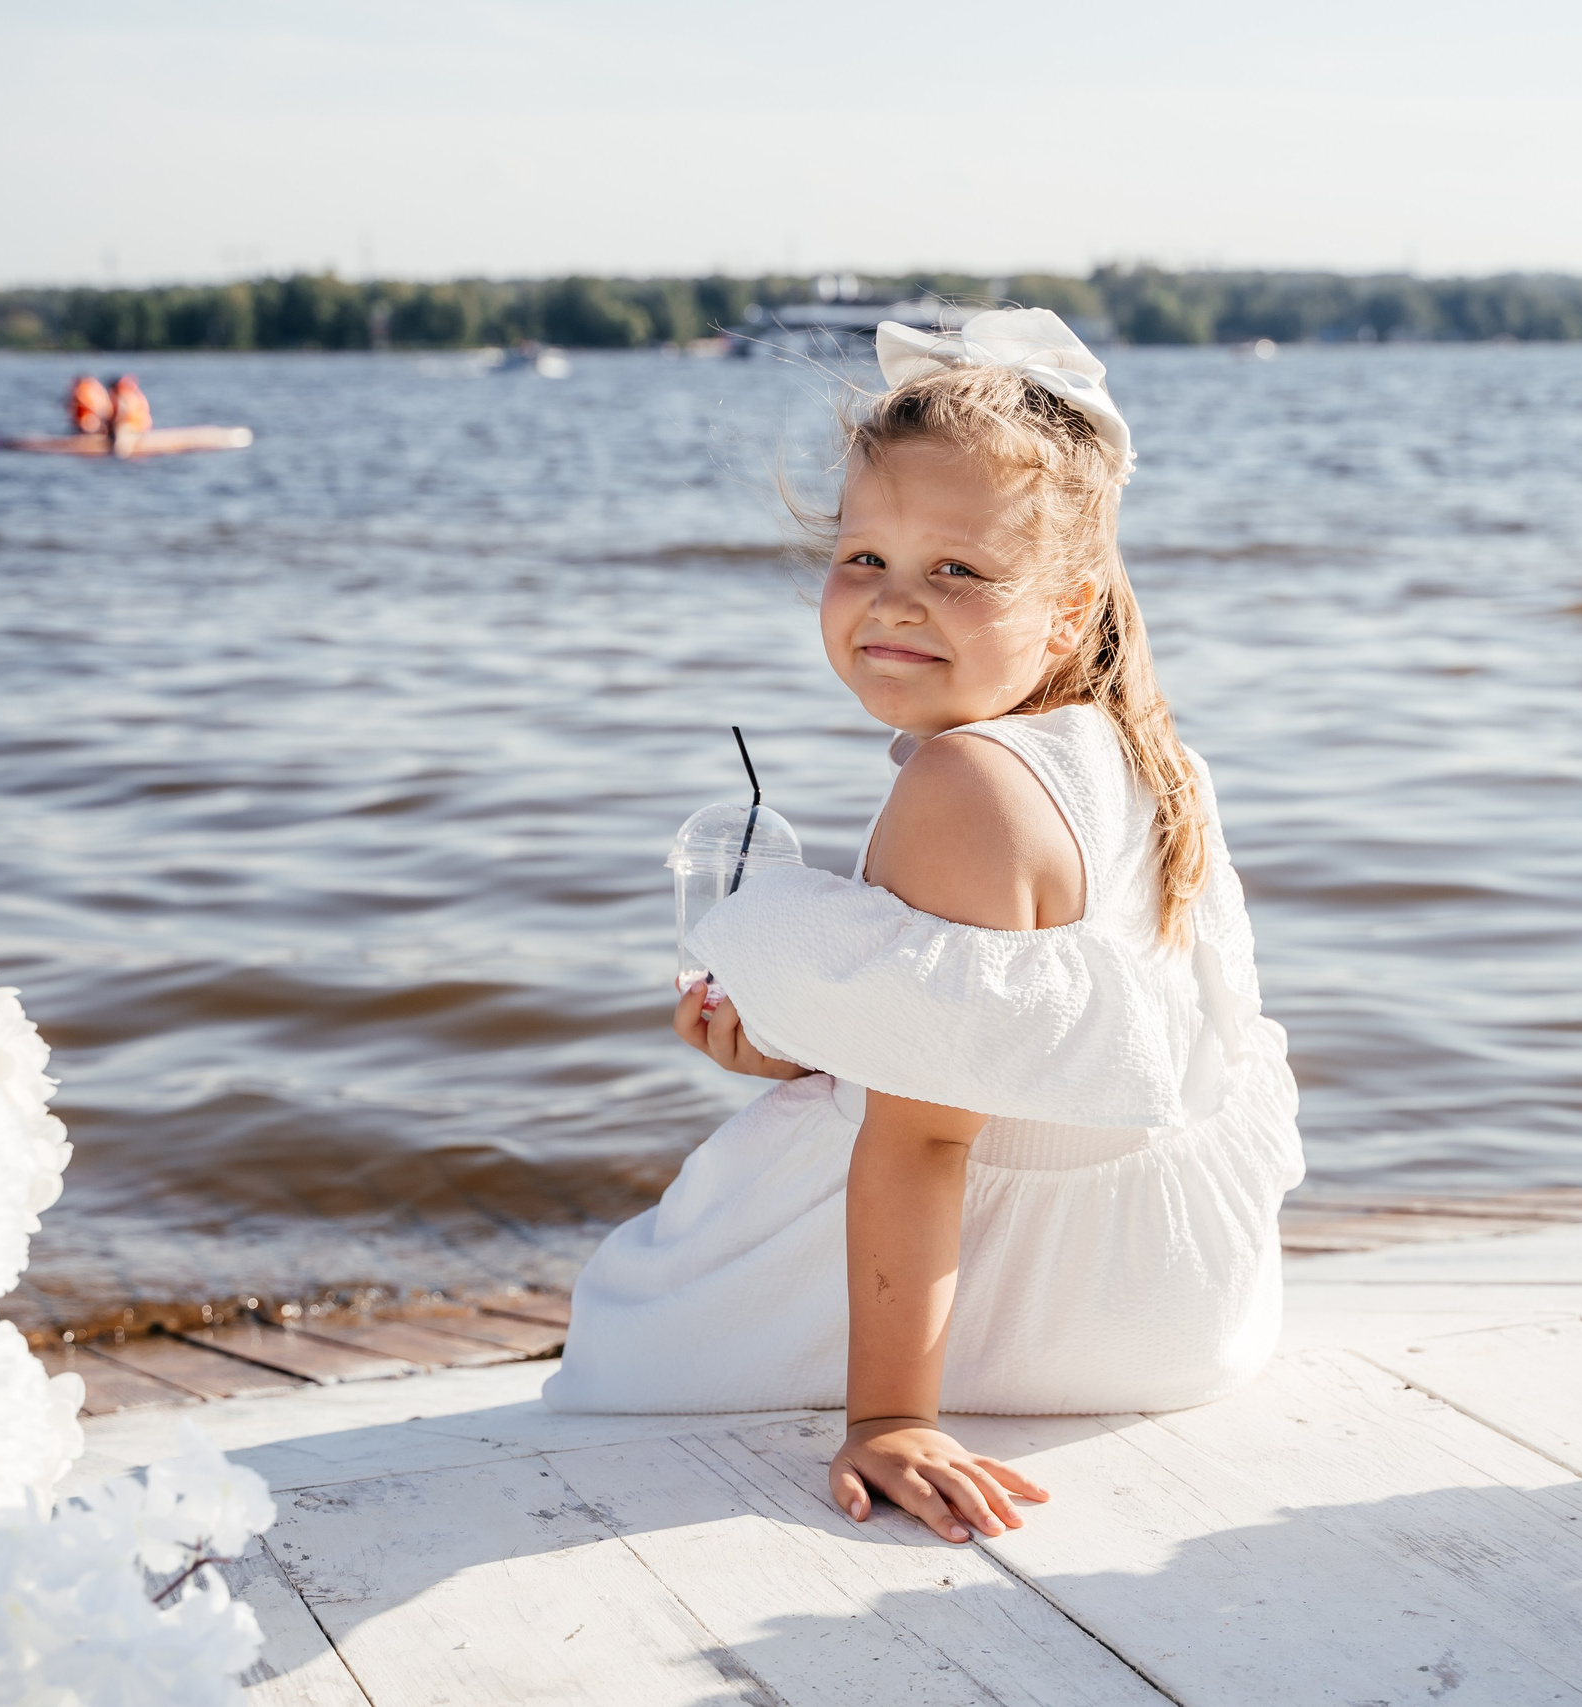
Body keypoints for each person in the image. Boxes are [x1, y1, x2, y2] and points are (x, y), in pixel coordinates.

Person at [543, 309, 1305, 1548]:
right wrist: (814, 1047)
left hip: (1059, 1310)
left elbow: (928, 1142)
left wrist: (890, 1417)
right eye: (863, 559)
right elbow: (1052, 1042)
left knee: (630, 1327)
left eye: (957, 571)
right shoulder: (1138, 750)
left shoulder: (963, 787)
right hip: (1185, 1291)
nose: (895, 605)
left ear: (1065, 615)